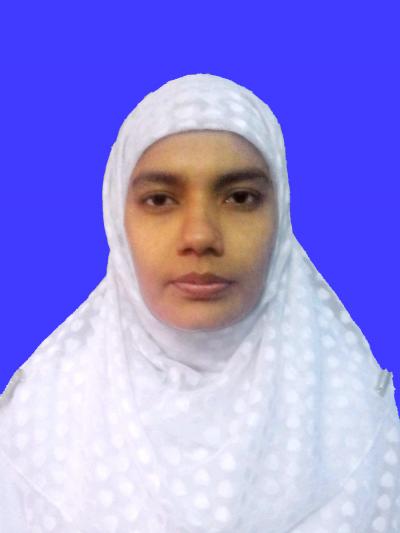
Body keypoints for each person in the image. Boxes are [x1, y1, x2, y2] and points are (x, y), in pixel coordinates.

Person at [0, 73, 399, 532]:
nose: (200, 236)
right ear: (116, 218)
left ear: (281, 216)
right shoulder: (40, 418)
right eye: (160, 200)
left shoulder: (353, 414)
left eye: (240, 198)